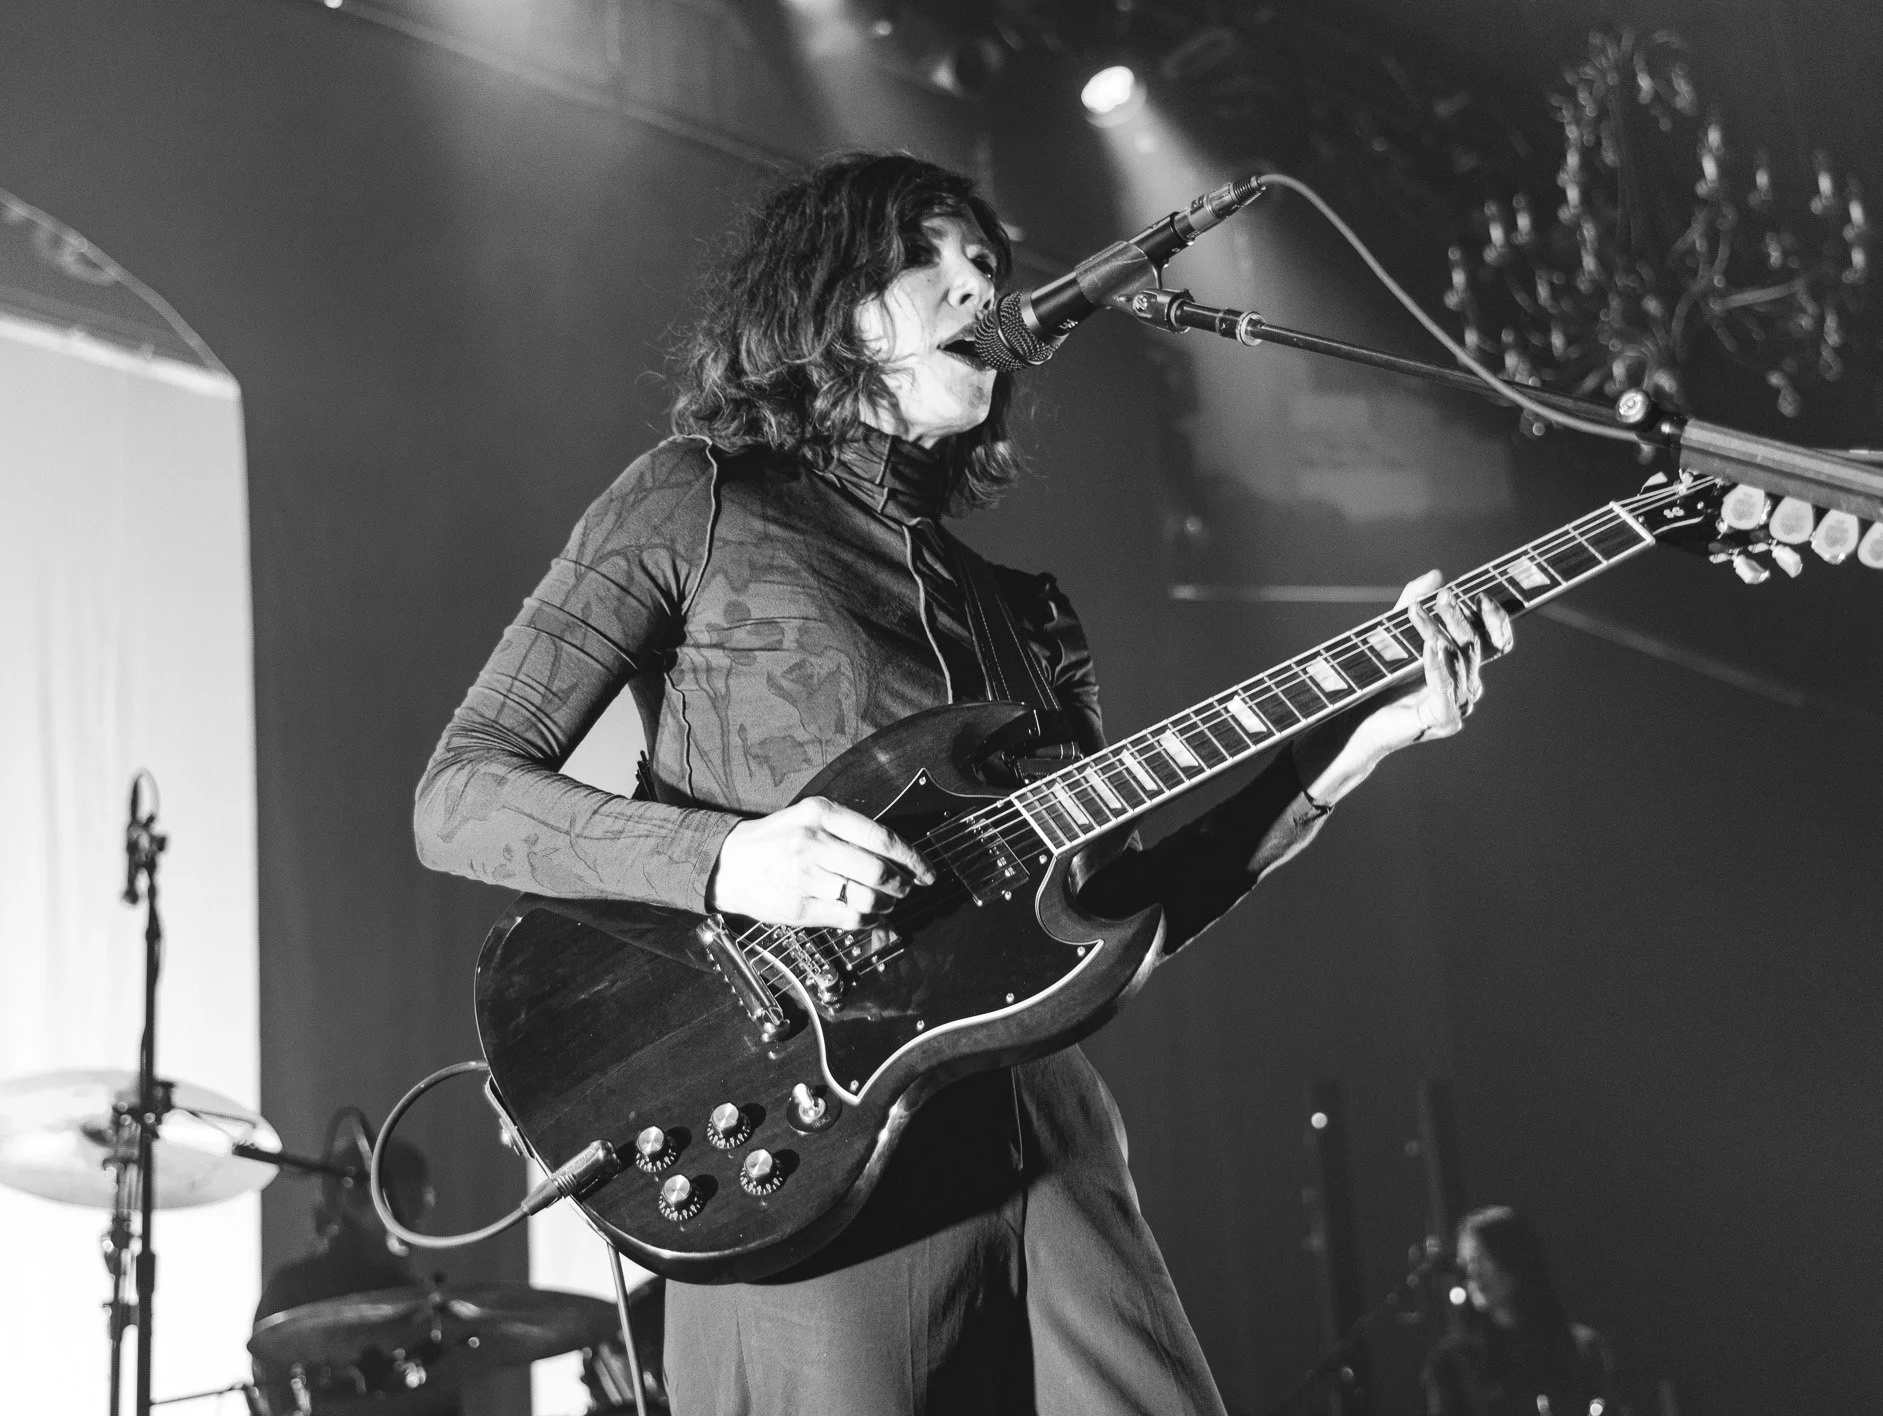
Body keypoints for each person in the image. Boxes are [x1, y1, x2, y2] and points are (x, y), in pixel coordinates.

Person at [414, 151, 1511, 1415]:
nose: (979, 283)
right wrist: (729, 859)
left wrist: (1354, 741)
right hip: (806, 1129)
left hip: (1039, 1124)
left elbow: (1120, 913)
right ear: (829, 307)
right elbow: (461, 793)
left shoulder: (1027, 616)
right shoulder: (695, 499)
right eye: (924, 259)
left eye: (985, 261)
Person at [250, 1115, 455, 1415]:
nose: (417, 1219)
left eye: (422, 1201)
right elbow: (274, 1398)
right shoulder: (293, 1289)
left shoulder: (415, 1299)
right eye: (410, 1200)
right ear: (354, 1199)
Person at [1425, 1206, 1619, 1416]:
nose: (1473, 1273)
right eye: (1467, 1262)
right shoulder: (1453, 1363)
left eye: (1483, 1257)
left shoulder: (1582, 1349)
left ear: (1514, 1259)